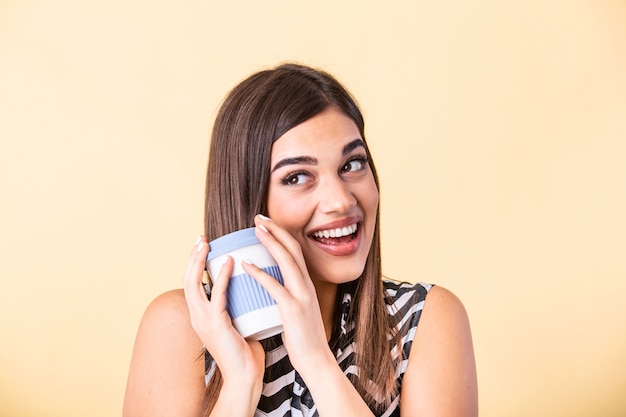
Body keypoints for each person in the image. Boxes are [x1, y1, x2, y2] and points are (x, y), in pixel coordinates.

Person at [123, 63, 478, 417]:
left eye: (352, 164)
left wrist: (317, 362)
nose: (341, 200)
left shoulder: (423, 320)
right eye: (296, 177)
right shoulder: (179, 328)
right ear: (250, 200)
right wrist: (240, 382)